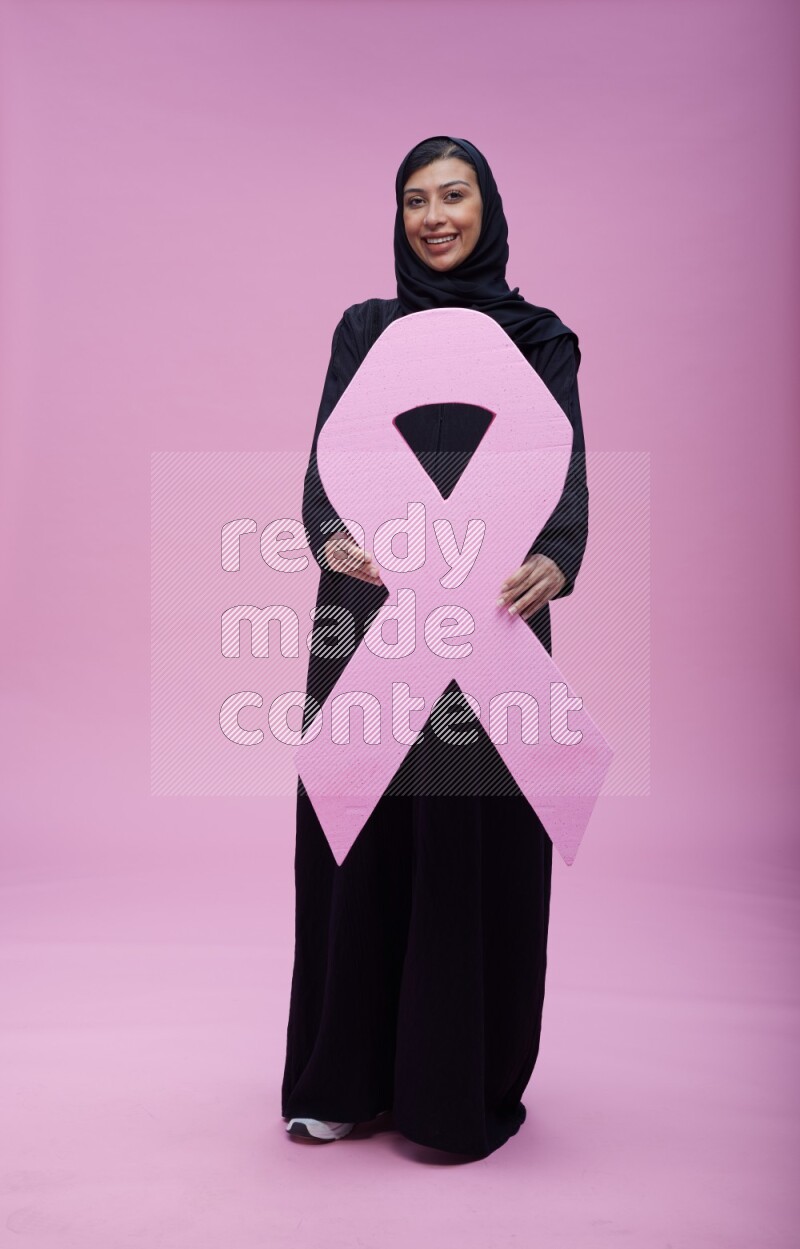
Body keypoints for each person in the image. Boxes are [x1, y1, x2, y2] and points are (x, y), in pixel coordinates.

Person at [281, 135, 589, 1158]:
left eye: (452, 196)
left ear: (486, 207)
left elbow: (560, 471)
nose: (433, 216)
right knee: (357, 836)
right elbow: (327, 462)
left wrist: (556, 553)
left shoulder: (539, 336)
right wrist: (328, 531)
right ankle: (339, 1079)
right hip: (370, 611)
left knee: (467, 844)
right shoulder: (363, 329)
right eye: (415, 199)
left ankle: (452, 1093)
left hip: (491, 619)